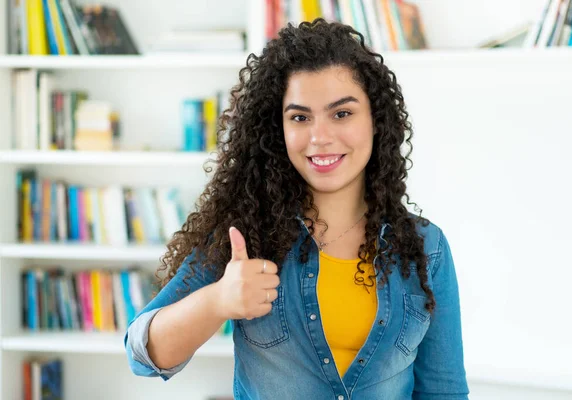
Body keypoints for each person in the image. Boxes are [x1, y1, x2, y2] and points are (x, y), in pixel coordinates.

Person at [125, 18, 469, 400]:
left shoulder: (427, 248)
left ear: (376, 122)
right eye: (300, 117)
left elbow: (444, 391)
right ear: (278, 129)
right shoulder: (246, 234)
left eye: (342, 113)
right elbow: (142, 351)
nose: (320, 137)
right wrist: (217, 300)